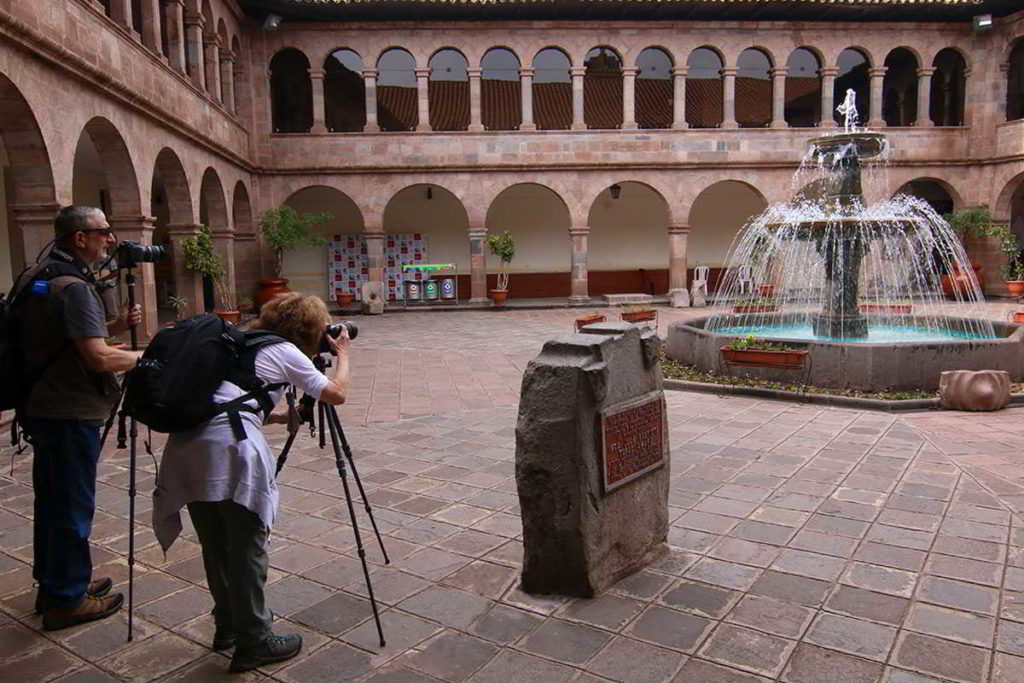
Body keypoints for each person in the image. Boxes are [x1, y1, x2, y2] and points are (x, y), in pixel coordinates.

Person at [152, 292, 350, 673]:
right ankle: (255, 640)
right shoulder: (285, 351)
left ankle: (228, 626)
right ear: (310, 329)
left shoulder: (235, 342)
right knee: (247, 546)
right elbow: (336, 394)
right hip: (230, 453)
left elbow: (230, 398)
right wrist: (343, 354)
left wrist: (275, 420)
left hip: (186, 448)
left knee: (216, 544)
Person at [12, 205, 143, 631]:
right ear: (80, 238)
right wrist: (150, 356)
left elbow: (66, 340)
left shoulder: (38, 275)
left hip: (41, 405)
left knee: (52, 501)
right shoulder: (75, 288)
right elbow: (98, 356)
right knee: (71, 505)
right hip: (69, 410)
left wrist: (117, 324)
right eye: (103, 231)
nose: (111, 239)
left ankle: (55, 584)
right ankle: (67, 600)